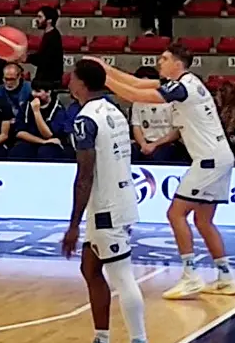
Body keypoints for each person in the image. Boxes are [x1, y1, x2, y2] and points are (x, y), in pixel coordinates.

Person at [91, 47, 235, 298]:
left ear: (178, 64)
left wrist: (100, 77)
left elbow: (136, 94)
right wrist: (104, 68)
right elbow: (137, 83)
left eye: (165, 59)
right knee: (202, 220)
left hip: (209, 159)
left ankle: (190, 276)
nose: (160, 62)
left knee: (175, 214)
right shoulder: (185, 82)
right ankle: (225, 276)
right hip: (219, 156)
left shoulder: (183, 87)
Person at [62, 59, 153, 343]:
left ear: (81, 84)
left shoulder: (85, 120)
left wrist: (73, 224)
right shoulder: (114, 110)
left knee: (122, 277)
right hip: (119, 200)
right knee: (90, 267)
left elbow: (84, 175)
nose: (68, 81)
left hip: (106, 209)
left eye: (72, 77)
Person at [130, 65, 184, 163]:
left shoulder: (171, 102)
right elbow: (136, 126)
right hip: (145, 144)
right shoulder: (137, 103)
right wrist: (143, 144)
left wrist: (155, 144)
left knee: (157, 156)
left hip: (167, 143)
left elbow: (177, 131)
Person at [27, 6, 64, 88]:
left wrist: (27, 58)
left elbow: (44, 59)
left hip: (49, 81)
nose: (37, 19)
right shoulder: (49, 35)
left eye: (40, 17)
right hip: (45, 80)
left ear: (49, 20)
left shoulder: (53, 37)